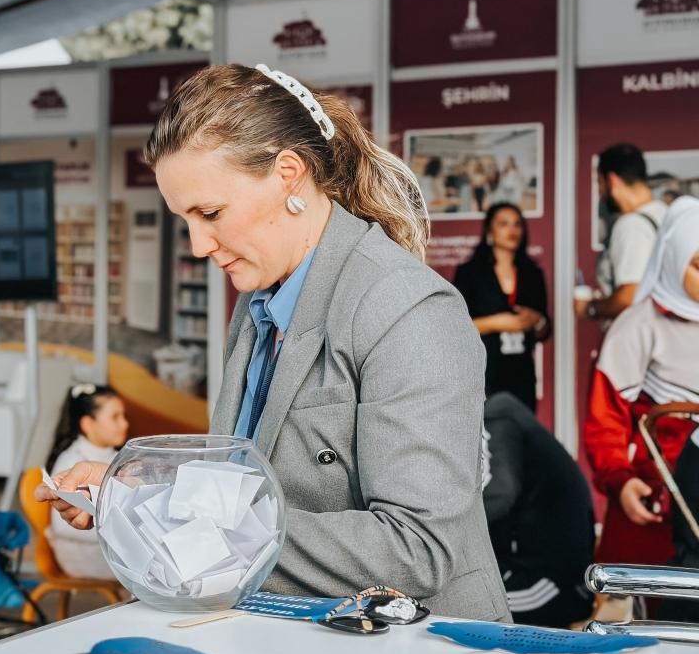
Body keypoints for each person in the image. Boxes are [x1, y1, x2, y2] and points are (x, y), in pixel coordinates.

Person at [40, 64, 509, 621]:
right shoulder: (258, 302)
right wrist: (133, 495)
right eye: (184, 219)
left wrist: (171, 512)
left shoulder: (406, 308)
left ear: (289, 173)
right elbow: (251, 485)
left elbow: (416, 549)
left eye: (210, 213)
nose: (197, 244)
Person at [584, 196, 699, 572]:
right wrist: (621, 481)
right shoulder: (637, 326)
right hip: (653, 497)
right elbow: (605, 423)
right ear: (674, 260)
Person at [482, 393, 595, 627]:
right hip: (553, 575)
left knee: (447, 600)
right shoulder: (513, 416)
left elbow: (499, 494)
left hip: (549, 585)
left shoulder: (498, 416)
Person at [453, 203, 550, 410]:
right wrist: (498, 323)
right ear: (490, 231)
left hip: (522, 377)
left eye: (517, 224)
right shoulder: (469, 273)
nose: (512, 230)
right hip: (484, 374)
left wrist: (537, 320)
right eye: (504, 224)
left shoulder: (532, 274)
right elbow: (455, 326)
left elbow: (545, 328)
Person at [44, 383, 128, 580]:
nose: (124, 424)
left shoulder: (117, 456)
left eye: (123, 416)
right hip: (82, 553)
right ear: (88, 424)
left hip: (109, 547)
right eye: (115, 417)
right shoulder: (72, 461)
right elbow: (64, 526)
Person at [580, 143, 668, 322]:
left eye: (599, 182)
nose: (599, 191)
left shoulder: (631, 224)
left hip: (640, 339)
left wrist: (589, 308)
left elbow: (629, 297)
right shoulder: (666, 214)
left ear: (612, 180)